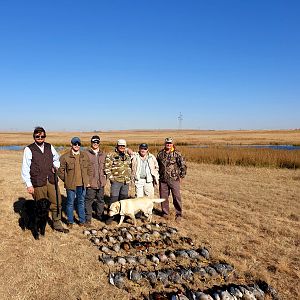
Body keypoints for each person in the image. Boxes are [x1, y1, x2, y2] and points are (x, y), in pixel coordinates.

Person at [21, 126, 69, 233]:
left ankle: (57, 224)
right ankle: (39, 225)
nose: (40, 138)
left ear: (45, 136)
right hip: (38, 182)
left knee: (57, 202)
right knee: (39, 206)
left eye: (42, 136)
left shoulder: (49, 147)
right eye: (37, 136)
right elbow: (25, 168)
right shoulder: (29, 149)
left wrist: (55, 166)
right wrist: (28, 184)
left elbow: (56, 159)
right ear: (34, 136)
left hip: (51, 179)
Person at [58, 137, 92, 228]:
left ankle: (82, 221)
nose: (77, 145)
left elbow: (89, 169)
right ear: (71, 144)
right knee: (70, 203)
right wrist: (66, 179)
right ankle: (70, 221)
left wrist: (87, 180)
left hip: (82, 184)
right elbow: (60, 171)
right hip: (71, 185)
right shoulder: (65, 157)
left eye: (78, 144)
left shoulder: (85, 155)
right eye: (74, 143)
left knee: (81, 202)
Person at [156, 137, 187, 222]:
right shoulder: (160, 154)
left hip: (174, 179)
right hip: (163, 180)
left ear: (172, 144)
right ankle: (165, 213)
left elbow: (183, 165)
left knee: (176, 197)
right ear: (165, 144)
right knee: (163, 197)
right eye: (167, 143)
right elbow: (157, 165)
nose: (168, 144)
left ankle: (179, 214)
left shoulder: (177, 154)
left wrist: (181, 176)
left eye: (170, 143)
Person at [104, 139, 132, 225]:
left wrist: (129, 178)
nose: (122, 147)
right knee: (114, 199)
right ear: (117, 146)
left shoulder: (127, 155)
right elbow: (106, 168)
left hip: (125, 181)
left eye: (123, 146)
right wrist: (112, 179)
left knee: (123, 200)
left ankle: (121, 216)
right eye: (120, 146)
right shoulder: (111, 155)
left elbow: (131, 165)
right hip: (116, 181)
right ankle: (111, 217)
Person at [85, 135, 107, 226]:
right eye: (94, 142)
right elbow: (84, 169)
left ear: (99, 143)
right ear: (91, 142)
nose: (95, 144)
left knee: (100, 200)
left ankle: (100, 215)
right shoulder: (86, 153)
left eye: (97, 142)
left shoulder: (103, 154)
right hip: (91, 182)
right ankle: (88, 218)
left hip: (101, 182)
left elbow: (107, 167)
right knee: (89, 200)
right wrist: (87, 182)